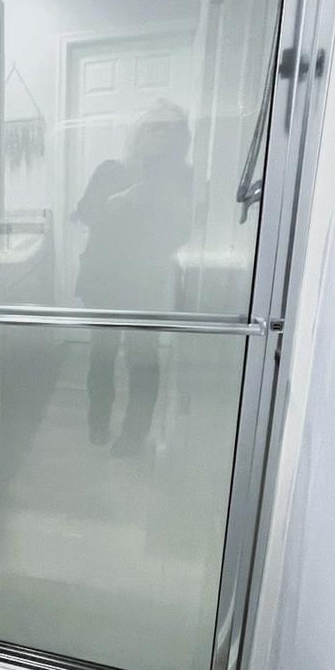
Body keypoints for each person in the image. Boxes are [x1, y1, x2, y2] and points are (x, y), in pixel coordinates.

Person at [72, 101, 193, 455]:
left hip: (144, 283)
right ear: (138, 136)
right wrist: (118, 201)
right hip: (105, 280)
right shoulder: (111, 171)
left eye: (170, 132)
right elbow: (85, 213)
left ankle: (133, 436)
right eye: (155, 129)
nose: (160, 138)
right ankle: (98, 423)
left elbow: (183, 233)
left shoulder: (181, 180)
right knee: (102, 354)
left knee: (142, 360)